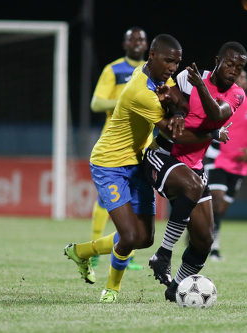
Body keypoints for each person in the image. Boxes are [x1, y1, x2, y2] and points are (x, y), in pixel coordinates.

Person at [63, 34, 185, 303]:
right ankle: (111, 289)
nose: (172, 68)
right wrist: (182, 114)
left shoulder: (164, 80)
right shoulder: (139, 90)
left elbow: (179, 105)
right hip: (110, 163)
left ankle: (81, 251)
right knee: (129, 236)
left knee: (145, 238)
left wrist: (178, 110)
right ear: (152, 56)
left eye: (176, 63)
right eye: (168, 61)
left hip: (137, 162)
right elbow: (172, 131)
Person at [145, 41, 247, 301]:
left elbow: (216, 116)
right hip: (164, 155)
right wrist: (175, 107)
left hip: (193, 166)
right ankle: (163, 254)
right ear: (217, 60)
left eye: (240, 66)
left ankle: (175, 288)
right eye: (230, 63)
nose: (234, 69)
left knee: (204, 239)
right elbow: (171, 103)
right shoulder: (186, 77)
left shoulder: (236, 94)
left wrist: (201, 89)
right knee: (191, 186)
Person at [89, 26, 148, 272]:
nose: (136, 42)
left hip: (142, 148)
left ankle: (128, 252)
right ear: (124, 45)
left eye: (141, 39)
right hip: (114, 146)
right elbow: (96, 103)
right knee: (107, 201)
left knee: (134, 204)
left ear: (147, 46)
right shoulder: (113, 70)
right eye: (131, 39)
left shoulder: (150, 72)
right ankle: (93, 251)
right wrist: (125, 102)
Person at [204, 70, 247, 261]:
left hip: (239, 165)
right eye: (237, 77)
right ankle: (213, 248)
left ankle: (199, 228)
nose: (241, 80)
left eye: (244, 78)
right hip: (216, 157)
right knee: (216, 200)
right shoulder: (220, 103)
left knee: (221, 208)